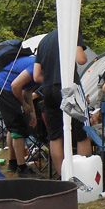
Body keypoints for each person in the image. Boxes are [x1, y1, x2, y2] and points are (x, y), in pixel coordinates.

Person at [32, 29, 92, 175]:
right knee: (83, 130)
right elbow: (81, 59)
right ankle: (83, 175)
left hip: (48, 90)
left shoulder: (44, 41)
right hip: (69, 87)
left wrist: (52, 80)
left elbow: (36, 76)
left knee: (55, 135)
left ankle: (63, 176)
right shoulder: (71, 31)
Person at [0, 54, 39, 177]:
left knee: (12, 125)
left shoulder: (39, 67)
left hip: (2, 85)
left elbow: (27, 92)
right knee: (19, 127)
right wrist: (23, 104)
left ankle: (13, 163)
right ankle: (22, 168)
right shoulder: (36, 65)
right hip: (4, 87)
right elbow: (15, 86)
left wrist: (32, 112)